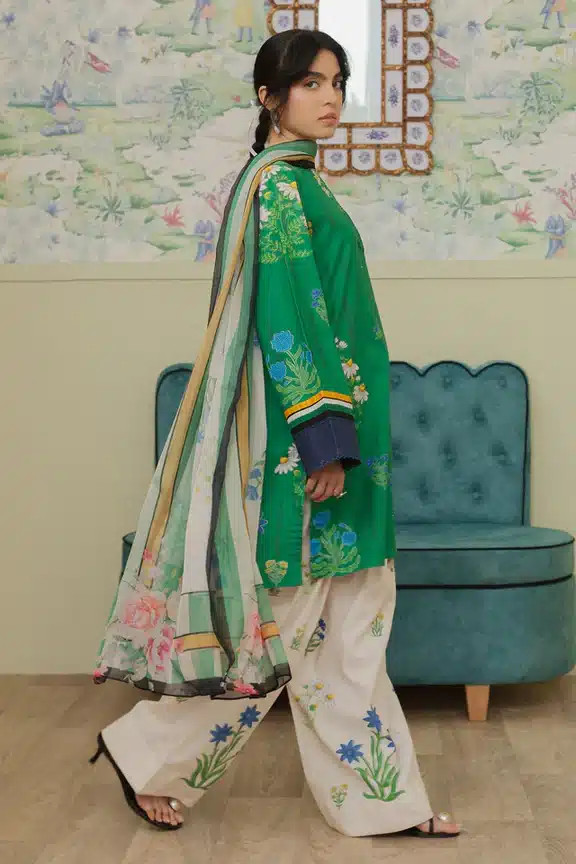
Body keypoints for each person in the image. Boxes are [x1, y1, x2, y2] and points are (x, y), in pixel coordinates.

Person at [91, 29, 462, 841]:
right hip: (314, 451)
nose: (331, 98)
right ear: (269, 97)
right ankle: (146, 753)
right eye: (312, 83)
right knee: (287, 630)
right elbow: (292, 316)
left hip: (350, 442)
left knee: (348, 629)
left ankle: (383, 800)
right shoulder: (280, 188)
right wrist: (324, 443)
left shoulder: (298, 181)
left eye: (338, 82)